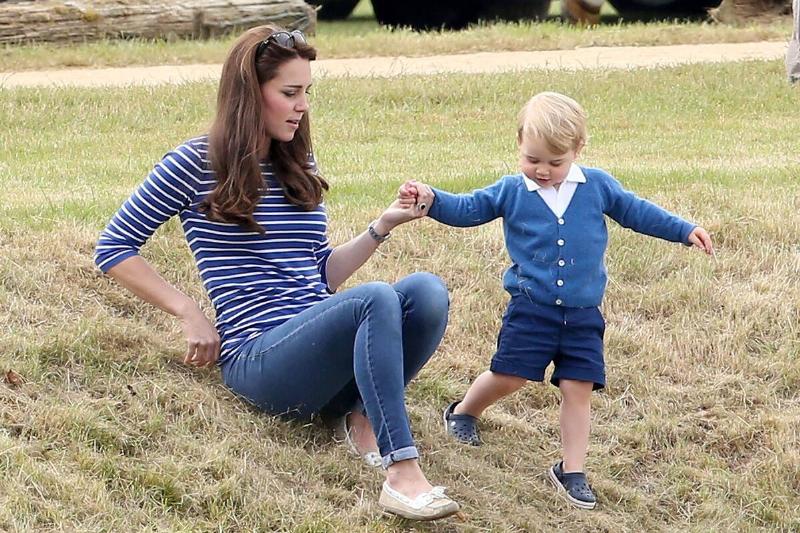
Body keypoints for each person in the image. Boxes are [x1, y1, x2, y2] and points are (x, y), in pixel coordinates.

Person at [94, 25, 459, 521]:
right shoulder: (195, 162)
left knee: (427, 291)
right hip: (257, 358)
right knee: (375, 298)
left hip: (314, 344)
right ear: (250, 93)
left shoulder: (297, 161)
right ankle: (403, 474)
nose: (302, 105)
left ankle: (356, 415)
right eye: (289, 93)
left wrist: (382, 226)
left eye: (307, 92)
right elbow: (114, 247)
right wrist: (189, 312)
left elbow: (322, 276)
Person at [399, 91, 713, 510]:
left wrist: (683, 229)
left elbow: (638, 211)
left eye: (554, 162)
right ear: (518, 145)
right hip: (532, 307)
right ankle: (464, 411)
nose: (542, 170)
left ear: (577, 150)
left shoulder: (597, 186)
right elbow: (468, 208)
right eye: (532, 160)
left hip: (583, 313)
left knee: (577, 386)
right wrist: (432, 199)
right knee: (510, 375)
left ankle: (572, 469)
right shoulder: (511, 191)